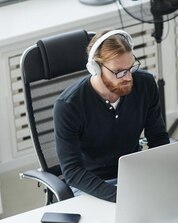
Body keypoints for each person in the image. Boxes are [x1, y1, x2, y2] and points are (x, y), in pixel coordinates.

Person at [54, 29, 170, 202]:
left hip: (134, 175)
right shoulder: (69, 106)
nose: (128, 78)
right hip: (90, 185)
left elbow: (158, 137)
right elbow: (73, 172)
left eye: (131, 68)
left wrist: (164, 173)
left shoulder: (145, 84)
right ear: (95, 68)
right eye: (119, 72)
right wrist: (120, 197)